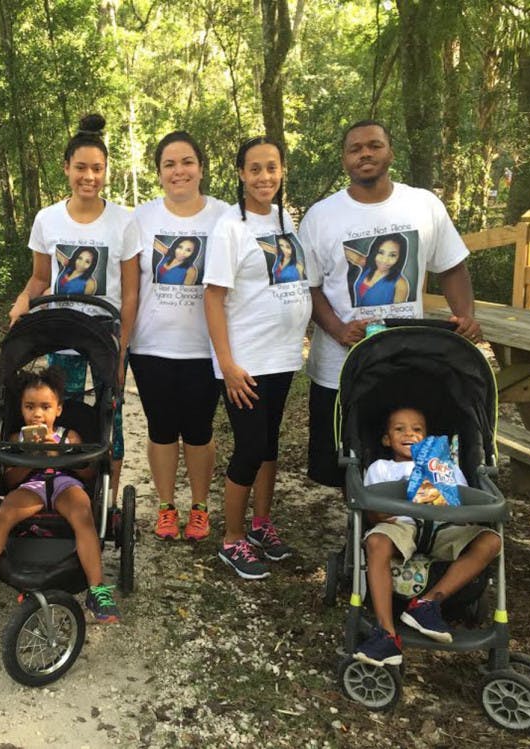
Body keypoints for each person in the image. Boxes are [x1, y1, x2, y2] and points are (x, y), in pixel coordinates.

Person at [301, 120, 482, 491]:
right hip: (341, 365)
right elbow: (310, 287)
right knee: (345, 460)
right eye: (355, 149)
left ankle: (410, 518)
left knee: (406, 452)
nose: (365, 154)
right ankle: (362, 522)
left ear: (390, 152)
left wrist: (465, 317)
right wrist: (338, 329)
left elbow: (452, 267)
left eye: (374, 145)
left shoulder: (423, 205)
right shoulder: (321, 216)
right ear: (344, 159)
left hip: (408, 363)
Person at [8, 113, 141, 500]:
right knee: (56, 411)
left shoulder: (123, 221)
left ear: (106, 171)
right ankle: (55, 486)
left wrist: (122, 348)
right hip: (61, 332)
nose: (89, 176)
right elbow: (39, 278)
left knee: (110, 417)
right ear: (66, 167)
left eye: (97, 169)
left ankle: (107, 502)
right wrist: (22, 302)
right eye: (81, 167)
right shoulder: (47, 219)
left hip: (105, 335)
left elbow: (130, 293)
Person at [203, 136, 312, 579]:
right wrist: (227, 365)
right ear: (241, 174)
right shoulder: (230, 227)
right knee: (249, 447)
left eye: (272, 167)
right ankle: (231, 539)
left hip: (281, 356)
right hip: (245, 362)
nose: (264, 176)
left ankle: (261, 524)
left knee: (269, 444)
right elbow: (213, 298)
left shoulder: (287, 220)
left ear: (282, 170)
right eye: (254, 169)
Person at [0, 367, 121, 625]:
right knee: (2, 515)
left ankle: (97, 589)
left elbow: (89, 473)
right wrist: (30, 456)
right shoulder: (16, 438)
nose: (37, 414)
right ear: (21, 409)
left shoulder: (69, 436)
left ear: (58, 409)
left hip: (66, 483)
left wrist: (60, 452)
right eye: (29, 407)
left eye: (45, 407)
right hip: (31, 485)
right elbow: (10, 480)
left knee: (82, 514)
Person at [131, 131, 228, 542]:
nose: (179, 171)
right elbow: (128, 284)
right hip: (150, 345)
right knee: (161, 429)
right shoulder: (141, 218)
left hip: (205, 346)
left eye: (187, 161)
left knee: (200, 430)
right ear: (158, 173)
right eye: (169, 164)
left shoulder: (226, 216)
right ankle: (167, 506)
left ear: (201, 168)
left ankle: (200, 507)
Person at [354, 406, 501, 666]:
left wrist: (465, 516)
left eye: (417, 429)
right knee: (376, 541)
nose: (409, 434)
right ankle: (386, 633)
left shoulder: (445, 467)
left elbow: (465, 503)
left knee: (491, 540)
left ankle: (427, 604)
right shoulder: (381, 468)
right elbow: (372, 510)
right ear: (387, 439)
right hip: (402, 526)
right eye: (399, 429)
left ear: (428, 437)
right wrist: (378, 515)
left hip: (445, 527)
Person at [344, 232, 410, 306]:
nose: (384, 260)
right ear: (375, 251)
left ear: (400, 257)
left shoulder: (401, 284)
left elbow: (399, 312)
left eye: (392, 255)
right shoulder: (368, 265)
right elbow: (345, 252)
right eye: (380, 252)